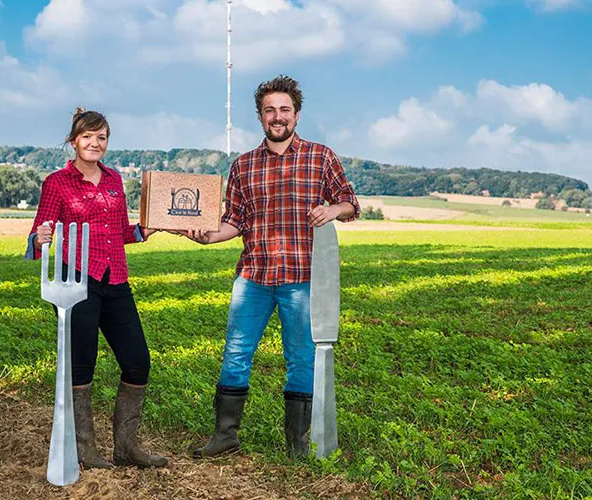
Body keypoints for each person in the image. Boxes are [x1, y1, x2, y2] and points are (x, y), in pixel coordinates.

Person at [185, 76, 360, 459]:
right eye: (270, 110)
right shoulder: (243, 165)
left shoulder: (321, 157)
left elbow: (349, 202)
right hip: (253, 277)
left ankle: (297, 443)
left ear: (296, 114)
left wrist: (332, 209)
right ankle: (225, 436)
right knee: (235, 352)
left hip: (302, 278)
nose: (277, 117)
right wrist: (209, 237)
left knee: (300, 358)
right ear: (261, 117)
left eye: (284, 110)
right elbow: (236, 220)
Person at [24, 108, 167, 469]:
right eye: (88, 137)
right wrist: (40, 239)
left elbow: (120, 232)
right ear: (74, 141)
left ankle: (126, 447)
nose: (95, 143)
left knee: (138, 362)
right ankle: (85, 449)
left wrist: (141, 231)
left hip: (116, 279)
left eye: (102, 137)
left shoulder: (115, 180)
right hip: (77, 283)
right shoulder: (57, 183)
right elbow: (40, 233)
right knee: (81, 366)